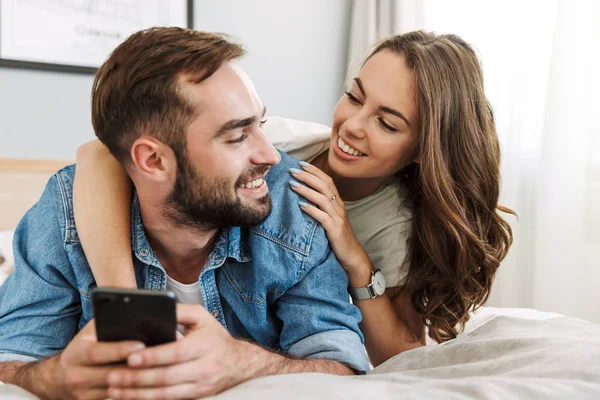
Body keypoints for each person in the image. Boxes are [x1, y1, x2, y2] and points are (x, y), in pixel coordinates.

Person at [74, 31, 515, 366]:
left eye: (387, 123)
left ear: (423, 149)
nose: (353, 126)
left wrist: (356, 259)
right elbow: (99, 153)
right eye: (354, 97)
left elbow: (397, 356)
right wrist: (126, 304)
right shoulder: (280, 144)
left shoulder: (400, 223)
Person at [0, 27, 370, 399]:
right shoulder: (65, 214)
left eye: (260, 124)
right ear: (153, 160)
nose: (270, 155)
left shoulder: (295, 202)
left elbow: (344, 365)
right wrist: (57, 376)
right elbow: (11, 361)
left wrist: (242, 363)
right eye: (238, 136)